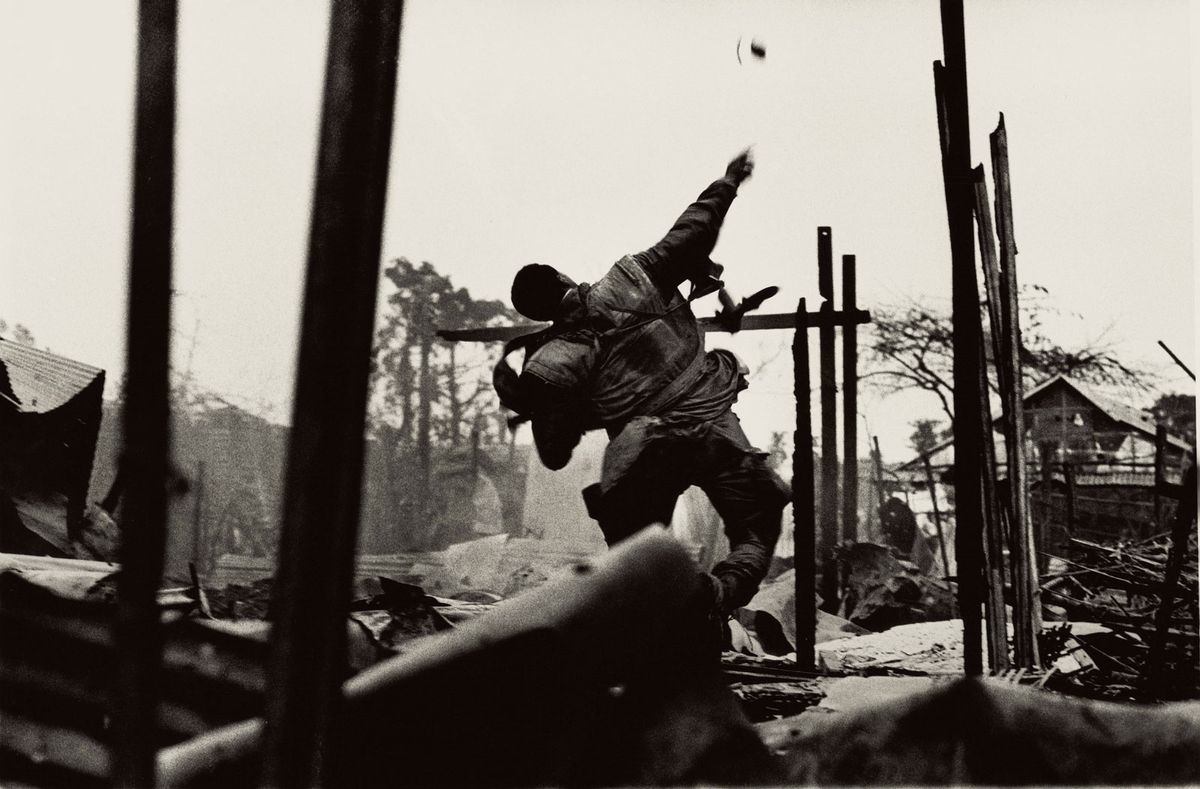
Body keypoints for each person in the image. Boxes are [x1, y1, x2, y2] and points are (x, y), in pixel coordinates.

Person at [500, 149, 789, 619]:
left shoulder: (551, 361)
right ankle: (718, 594)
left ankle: (679, 610)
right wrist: (728, 182)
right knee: (756, 526)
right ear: (561, 276)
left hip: (641, 451)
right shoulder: (631, 278)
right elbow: (693, 233)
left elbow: (554, 453)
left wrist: (561, 408)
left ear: (534, 314)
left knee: (635, 554)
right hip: (712, 424)